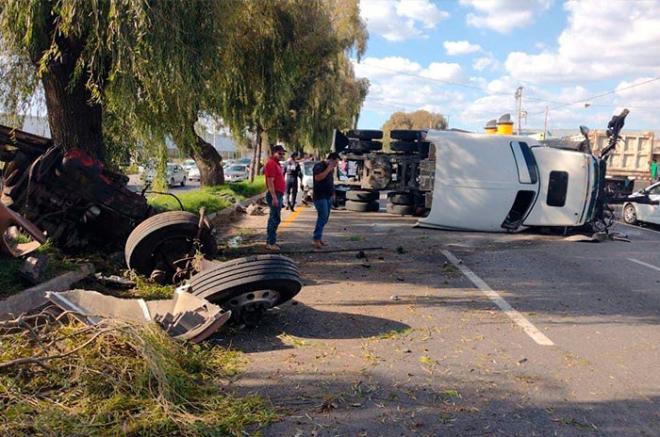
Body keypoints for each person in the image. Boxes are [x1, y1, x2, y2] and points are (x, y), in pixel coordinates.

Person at [312, 152, 339, 249]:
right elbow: (318, 178)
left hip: (328, 196)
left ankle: (319, 237)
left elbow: (330, 181)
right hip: (320, 197)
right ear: (330, 160)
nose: (336, 165)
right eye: (335, 163)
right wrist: (328, 169)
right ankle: (316, 238)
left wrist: (333, 193)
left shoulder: (331, 170)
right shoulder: (319, 166)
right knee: (322, 216)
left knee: (325, 218)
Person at [264, 144, 287, 251]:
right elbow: (270, 181)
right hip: (275, 194)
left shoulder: (277, 164)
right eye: (280, 153)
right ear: (274, 153)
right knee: (274, 218)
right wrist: (274, 197)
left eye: (283, 153)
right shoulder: (271, 164)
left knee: (275, 218)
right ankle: (270, 242)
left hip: (278, 194)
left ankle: (271, 241)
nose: (282, 155)